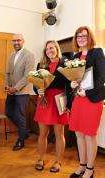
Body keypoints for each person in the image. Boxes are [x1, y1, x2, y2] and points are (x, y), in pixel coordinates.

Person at [69, 26, 105, 178]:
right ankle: (82, 165)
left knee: (89, 134)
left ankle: (90, 169)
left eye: (84, 36)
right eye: (78, 36)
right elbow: (73, 77)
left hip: (92, 99)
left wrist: (87, 91)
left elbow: (102, 77)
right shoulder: (75, 56)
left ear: (89, 37)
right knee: (79, 134)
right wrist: (72, 84)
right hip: (78, 99)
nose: (81, 39)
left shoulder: (97, 52)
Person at [34, 40, 70, 173]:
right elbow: (35, 83)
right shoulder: (41, 64)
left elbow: (69, 84)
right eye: (47, 49)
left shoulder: (66, 63)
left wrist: (69, 102)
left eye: (52, 48)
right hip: (45, 100)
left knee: (59, 134)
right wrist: (38, 90)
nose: (49, 50)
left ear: (57, 48)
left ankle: (58, 161)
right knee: (42, 133)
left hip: (60, 100)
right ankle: (41, 159)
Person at [5, 33, 35, 151]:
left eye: (18, 40)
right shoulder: (11, 55)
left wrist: (15, 88)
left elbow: (28, 76)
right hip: (11, 91)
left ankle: (21, 140)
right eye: (14, 41)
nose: (16, 42)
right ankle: (24, 131)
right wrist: (8, 86)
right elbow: (8, 73)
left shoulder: (29, 55)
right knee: (8, 112)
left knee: (20, 115)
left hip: (22, 91)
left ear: (23, 41)